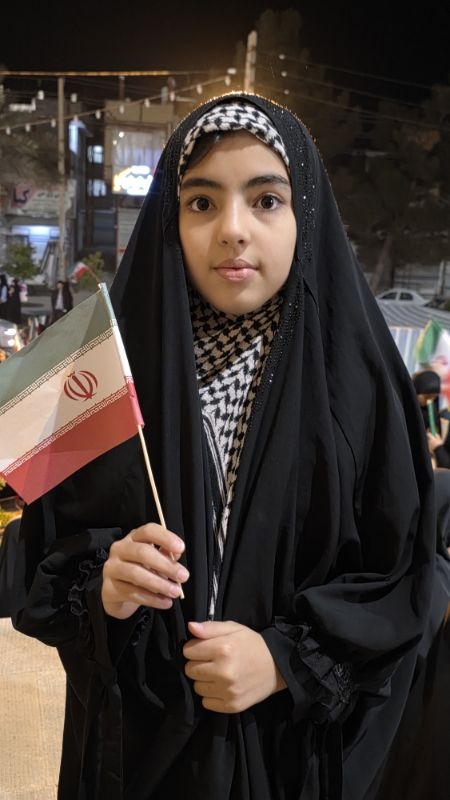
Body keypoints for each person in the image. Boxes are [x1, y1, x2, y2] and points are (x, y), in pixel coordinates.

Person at [11, 93, 438, 800]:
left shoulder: (361, 389)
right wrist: (106, 587)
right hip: (140, 750)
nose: (233, 230)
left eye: (266, 200)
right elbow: (44, 556)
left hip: (291, 758)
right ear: (170, 221)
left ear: (305, 215)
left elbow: (403, 579)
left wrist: (284, 660)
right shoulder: (110, 377)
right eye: (202, 203)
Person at [412, 368, 450, 467]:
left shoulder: (433, 407)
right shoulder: (407, 404)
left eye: (434, 397)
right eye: (427, 396)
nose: (430, 400)